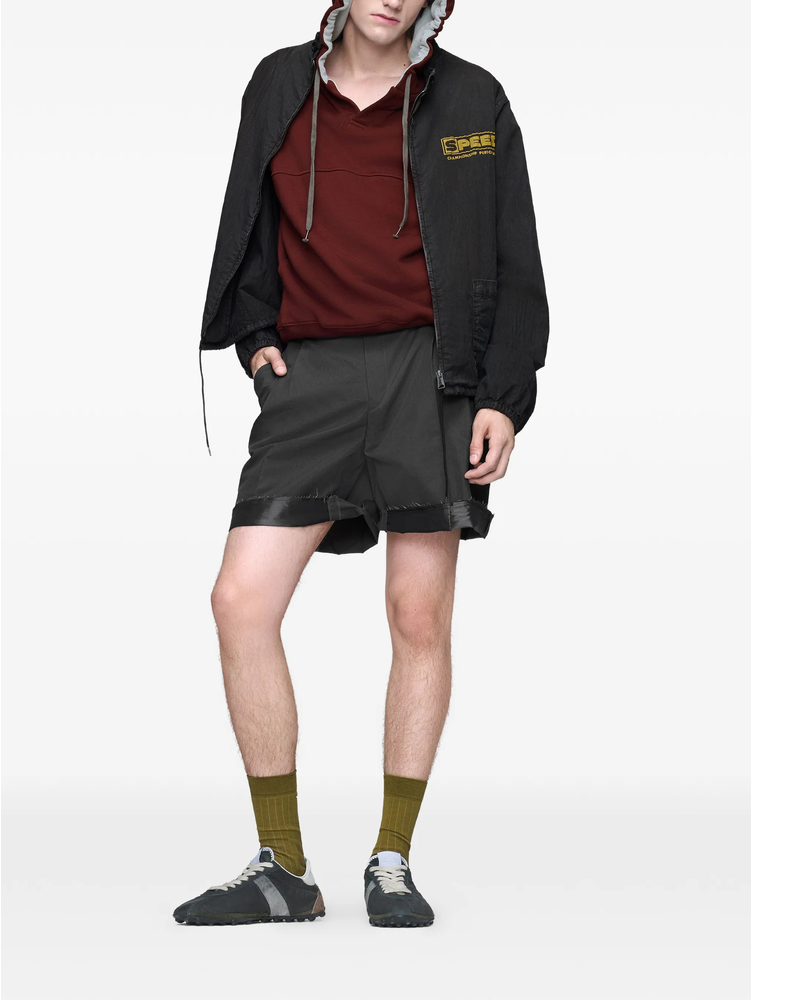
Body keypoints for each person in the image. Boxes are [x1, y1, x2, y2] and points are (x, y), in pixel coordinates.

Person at [175, 0, 548, 928]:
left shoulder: (472, 99)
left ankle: (392, 859)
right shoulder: (278, 84)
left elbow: (516, 252)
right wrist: (254, 335)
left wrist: (504, 394)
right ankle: (283, 869)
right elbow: (249, 215)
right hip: (313, 376)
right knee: (240, 601)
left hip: (433, 371)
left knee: (418, 613)